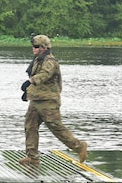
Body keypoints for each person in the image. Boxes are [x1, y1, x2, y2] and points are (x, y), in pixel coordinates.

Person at [20, 34, 88, 166]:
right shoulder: (37, 60)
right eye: (33, 47)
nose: (33, 49)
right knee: (30, 127)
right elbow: (37, 78)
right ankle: (32, 157)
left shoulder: (50, 61)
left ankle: (79, 146)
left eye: (36, 47)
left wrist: (30, 81)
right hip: (36, 99)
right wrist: (28, 92)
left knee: (55, 127)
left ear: (43, 48)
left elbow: (44, 75)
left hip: (48, 101)